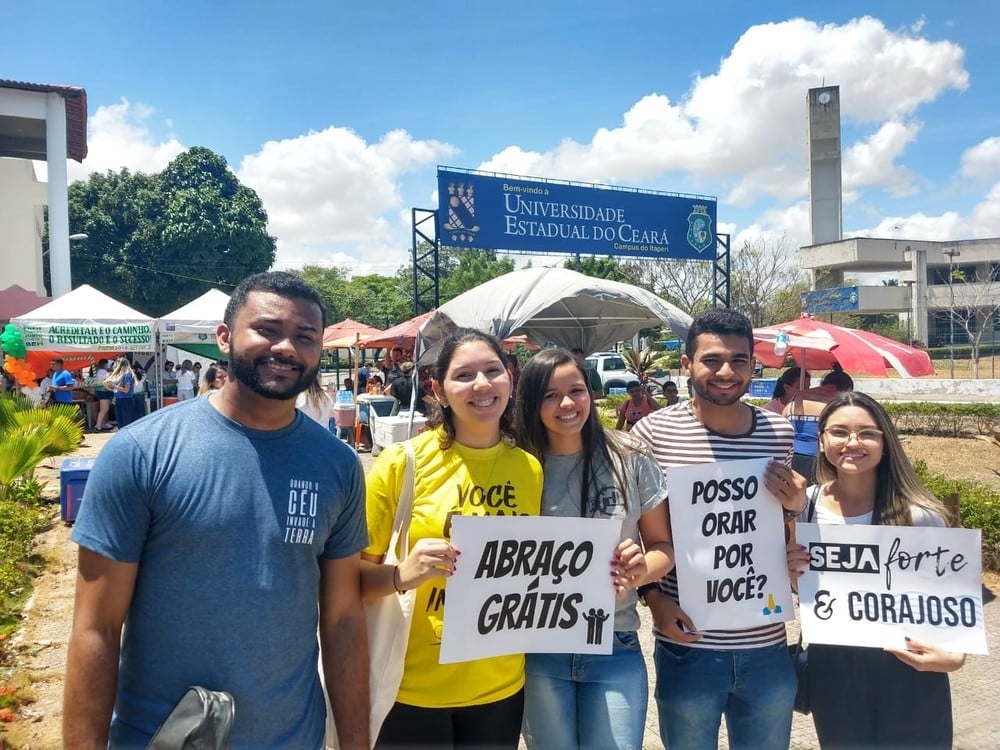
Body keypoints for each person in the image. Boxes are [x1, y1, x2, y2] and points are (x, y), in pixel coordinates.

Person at [63, 271, 370, 748]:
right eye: (267, 330)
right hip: (163, 737)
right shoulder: (142, 453)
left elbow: (343, 620)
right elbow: (96, 628)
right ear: (224, 338)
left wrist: (355, 740)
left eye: (305, 337)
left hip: (294, 736)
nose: (287, 347)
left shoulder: (339, 465)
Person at [629, 308, 807, 750]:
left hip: (767, 643)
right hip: (687, 642)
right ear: (687, 365)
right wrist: (652, 600)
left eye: (739, 360)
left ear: (753, 366)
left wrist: (796, 509)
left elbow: (782, 528)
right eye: (712, 360)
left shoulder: (779, 433)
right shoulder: (651, 433)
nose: (726, 372)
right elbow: (638, 534)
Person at [361, 327, 543, 749]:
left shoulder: (529, 469)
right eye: (463, 375)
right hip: (411, 689)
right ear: (438, 390)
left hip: (501, 686)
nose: (481, 385)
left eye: (493, 371)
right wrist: (401, 574)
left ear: (510, 379)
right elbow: (349, 581)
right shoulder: (400, 464)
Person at [514, 348, 674, 750]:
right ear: (530, 402)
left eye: (577, 390)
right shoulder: (515, 464)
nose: (567, 404)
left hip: (614, 643)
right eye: (550, 395)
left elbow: (662, 547)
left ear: (592, 394)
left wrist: (641, 570)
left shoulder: (630, 456)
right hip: (537, 651)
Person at [787, 391, 965, 748]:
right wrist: (792, 568)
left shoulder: (920, 514)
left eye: (867, 433)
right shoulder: (804, 506)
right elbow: (799, 586)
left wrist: (953, 657)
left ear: (886, 442)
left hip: (908, 669)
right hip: (833, 670)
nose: (852, 442)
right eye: (839, 432)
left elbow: (953, 598)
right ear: (821, 441)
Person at [783, 365, 854, 483]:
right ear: (847, 388)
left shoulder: (797, 397)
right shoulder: (840, 401)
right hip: (820, 462)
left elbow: (783, 424)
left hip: (791, 458)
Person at [103, 357, 136, 429]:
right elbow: (114, 389)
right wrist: (108, 386)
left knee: (126, 422)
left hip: (126, 399)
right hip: (118, 399)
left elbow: (126, 390)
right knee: (120, 422)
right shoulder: (118, 375)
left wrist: (114, 386)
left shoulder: (128, 374)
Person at [92, 358, 114, 430]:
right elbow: (107, 381)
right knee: (104, 409)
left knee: (103, 409)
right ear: (105, 364)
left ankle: (101, 424)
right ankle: (98, 425)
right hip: (103, 391)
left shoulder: (100, 371)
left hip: (101, 391)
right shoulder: (103, 372)